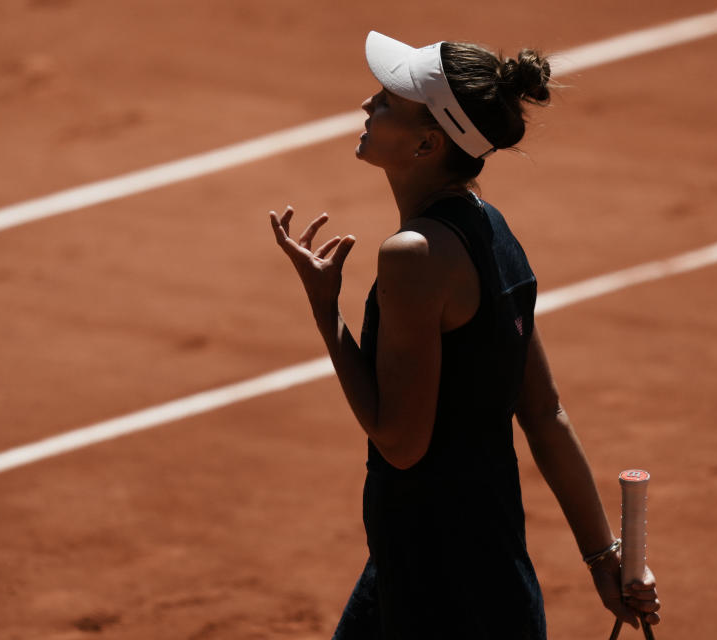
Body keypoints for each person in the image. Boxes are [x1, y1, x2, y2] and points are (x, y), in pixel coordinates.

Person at [269, 31, 660, 639]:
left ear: (428, 142)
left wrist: (327, 311)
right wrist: (603, 558)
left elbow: (401, 442)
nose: (368, 107)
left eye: (388, 103)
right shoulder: (493, 230)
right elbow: (547, 413)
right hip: (473, 564)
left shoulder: (414, 256)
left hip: (440, 589)